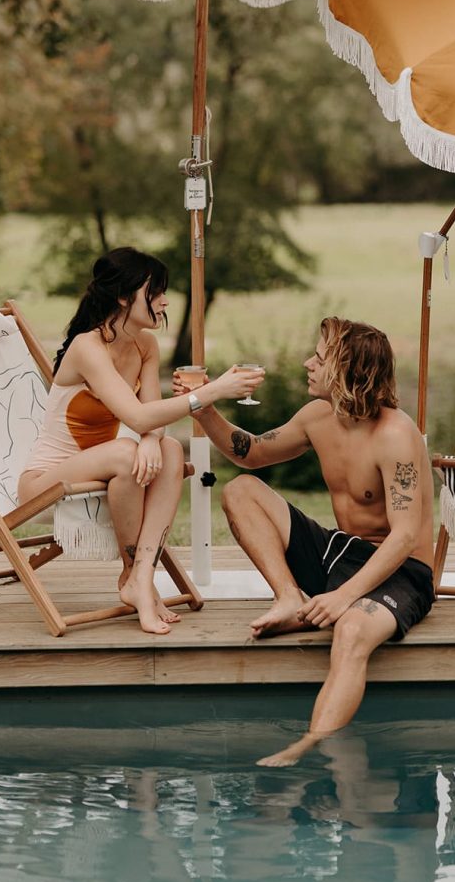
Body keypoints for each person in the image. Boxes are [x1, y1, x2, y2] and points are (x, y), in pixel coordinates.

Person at [174, 317, 434, 765]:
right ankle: (289, 597)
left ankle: (312, 744)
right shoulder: (318, 417)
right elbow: (251, 453)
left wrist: (344, 598)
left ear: (348, 368)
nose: (307, 363)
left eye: (319, 356)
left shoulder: (396, 434)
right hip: (341, 555)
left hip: (400, 572)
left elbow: (405, 535)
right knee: (241, 491)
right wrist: (203, 406)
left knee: (351, 630)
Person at [18, 247, 264, 636]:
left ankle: (140, 575)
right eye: (156, 291)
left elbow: (151, 417)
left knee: (167, 450)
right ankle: (135, 576)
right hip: (44, 481)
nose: (166, 300)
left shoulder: (145, 345)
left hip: (104, 466)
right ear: (122, 296)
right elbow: (136, 417)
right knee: (126, 452)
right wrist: (214, 390)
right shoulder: (88, 347)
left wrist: (152, 440)